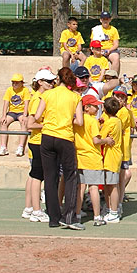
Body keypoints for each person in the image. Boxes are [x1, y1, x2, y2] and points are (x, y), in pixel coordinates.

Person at [35, 67, 84, 230]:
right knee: (70, 176)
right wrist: (68, 119)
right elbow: (80, 121)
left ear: (58, 79)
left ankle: (53, 217)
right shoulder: (75, 97)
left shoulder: (48, 94)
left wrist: (49, 119)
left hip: (47, 136)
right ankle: (69, 216)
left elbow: (37, 116)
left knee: (50, 177)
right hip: (65, 137)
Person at [22, 68, 56, 223]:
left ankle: (29, 207)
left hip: (37, 141)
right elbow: (30, 124)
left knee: (33, 175)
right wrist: (47, 125)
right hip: (38, 141)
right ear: (40, 82)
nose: (51, 84)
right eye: (48, 81)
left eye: (52, 81)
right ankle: (36, 210)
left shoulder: (40, 97)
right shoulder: (37, 99)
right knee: (38, 176)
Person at [74, 94, 106, 226]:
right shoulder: (92, 121)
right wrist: (106, 140)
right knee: (93, 188)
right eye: (95, 106)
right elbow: (96, 140)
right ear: (87, 107)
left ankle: (77, 214)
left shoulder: (78, 120)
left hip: (80, 156)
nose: (97, 108)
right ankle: (97, 216)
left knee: (80, 187)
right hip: (92, 157)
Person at [99, 96, 123, 224]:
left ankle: (114, 212)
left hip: (111, 156)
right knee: (110, 185)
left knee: (112, 185)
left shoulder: (110, 123)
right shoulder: (117, 121)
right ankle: (110, 209)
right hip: (115, 155)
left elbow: (100, 137)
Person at [110, 86, 134, 214]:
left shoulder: (123, 112)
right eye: (117, 96)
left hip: (121, 150)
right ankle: (115, 203)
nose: (119, 99)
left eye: (122, 97)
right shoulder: (113, 111)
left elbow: (117, 126)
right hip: (117, 149)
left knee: (119, 179)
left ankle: (117, 204)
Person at [0, 73, 31, 157]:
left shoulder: (25, 90)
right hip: (12, 112)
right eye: (13, 82)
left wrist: (25, 115)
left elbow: (26, 103)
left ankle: (20, 147)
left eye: (17, 82)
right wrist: (4, 115)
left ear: (21, 83)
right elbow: (6, 103)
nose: (14, 84)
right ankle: (3, 147)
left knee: (24, 123)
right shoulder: (9, 90)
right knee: (3, 123)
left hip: (21, 112)